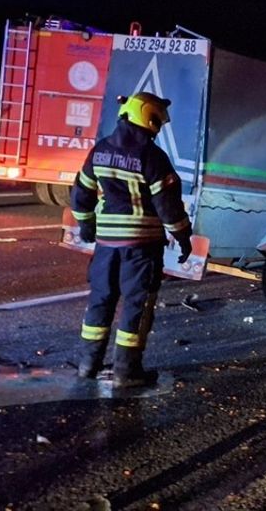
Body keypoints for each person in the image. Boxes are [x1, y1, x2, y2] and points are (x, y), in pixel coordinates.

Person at [71, 92, 192, 387]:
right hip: (141, 246)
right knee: (136, 305)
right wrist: (183, 236)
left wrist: (86, 225)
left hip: (106, 245)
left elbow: (80, 193)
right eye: (157, 121)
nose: (159, 128)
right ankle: (127, 371)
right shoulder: (152, 157)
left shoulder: (99, 150)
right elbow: (168, 206)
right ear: (147, 117)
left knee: (100, 300)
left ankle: (88, 364)